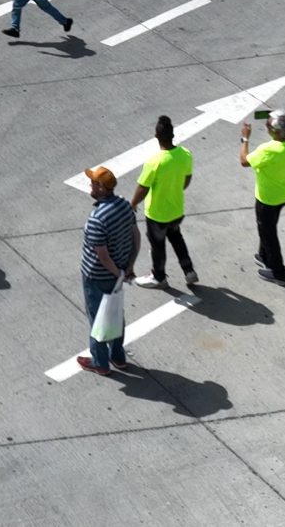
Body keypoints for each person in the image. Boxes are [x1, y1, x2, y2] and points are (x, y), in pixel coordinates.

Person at [76, 166, 138, 376]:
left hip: (97, 277)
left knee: (98, 320)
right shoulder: (124, 205)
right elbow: (135, 235)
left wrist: (118, 272)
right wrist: (128, 267)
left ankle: (100, 362)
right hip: (118, 274)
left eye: (93, 182)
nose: (90, 185)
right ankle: (118, 356)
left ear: (101, 188)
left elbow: (102, 255)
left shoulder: (97, 219)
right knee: (115, 316)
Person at [131, 117, 198, 293]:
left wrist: (133, 204)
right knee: (177, 238)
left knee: (158, 246)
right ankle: (188, 270)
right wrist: (176, 189)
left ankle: (159, 277)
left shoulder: (155, 161)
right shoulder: (185, 154)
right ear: (173, 135)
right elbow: (187, 178)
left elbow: (143, 188)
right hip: (176, 210)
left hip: (157, 214)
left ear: (156, 136)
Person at [241, 109, 285, 284]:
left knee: (268, 233)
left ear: (276, 131)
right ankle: (264, 256)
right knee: (268, 227)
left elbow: (244, 161)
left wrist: (245, 138)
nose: (266, 125)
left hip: (267, 198)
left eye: (269, 124)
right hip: (284, 194)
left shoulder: (269, 149)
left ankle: (279, 274)